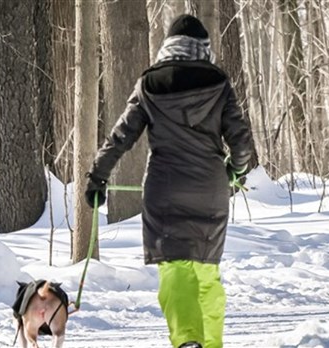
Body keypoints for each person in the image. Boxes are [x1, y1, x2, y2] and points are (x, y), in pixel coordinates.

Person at [84, 14, 253, 348]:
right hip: (210, 189)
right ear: (203, 49)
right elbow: (241, 140)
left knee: (175, 268)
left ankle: (187, 339)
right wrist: (236, 169)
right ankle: (211, 343)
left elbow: (121, 136)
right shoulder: (219, 83)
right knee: (205, 271)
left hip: (165, 189)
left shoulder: (149, 84)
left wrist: (97, 177)